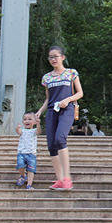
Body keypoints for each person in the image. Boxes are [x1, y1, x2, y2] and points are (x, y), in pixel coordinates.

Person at [35, 45, 83, 190]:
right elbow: (48, 98)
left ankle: (67, 178)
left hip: (67, 109)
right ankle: (60, 179)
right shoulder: (47, 77)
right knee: (51, 145)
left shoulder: (71, 73)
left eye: (56, 56)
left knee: (60, 138)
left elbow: (80, 93)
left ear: (63, 57)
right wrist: (40, 111)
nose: (53, 59)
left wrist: (67, 100)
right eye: (50, 57)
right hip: (51, 111)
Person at [15, 112, 38, 190]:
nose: (27, 121)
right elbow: (18, 132)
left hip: (31, 154)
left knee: (31, 169)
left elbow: (39, 131)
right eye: (25, 119)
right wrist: (17, 128)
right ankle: (23, 176)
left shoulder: (34, 131)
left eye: (29, 119)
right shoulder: (22, 131)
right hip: (21, 153)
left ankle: (29, 185)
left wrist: (38, 124)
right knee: (20, 165)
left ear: (34, 122)